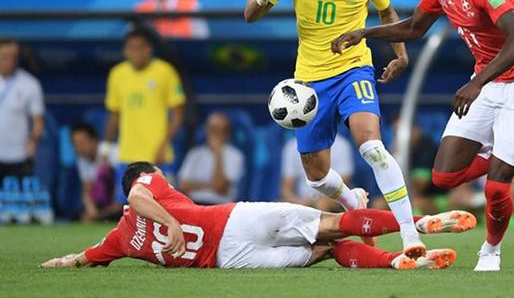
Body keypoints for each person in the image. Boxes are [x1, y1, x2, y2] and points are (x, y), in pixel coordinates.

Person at [331, 0, 514, 271]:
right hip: (489, 82)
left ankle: (490, 252)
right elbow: (414, 28)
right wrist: (364, 34)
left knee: (497, 188)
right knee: (444, 177)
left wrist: (477, 83)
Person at [243, 0, 424, 258]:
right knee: (316, 176)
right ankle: (352, 201)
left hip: (354, 69)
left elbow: (387, 13)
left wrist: (400, 54)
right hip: (309, 85)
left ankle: (410, 235)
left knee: (371, 147)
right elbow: (251, 16)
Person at [41, 162, 476, 270]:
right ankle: (416, 224)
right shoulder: (148, 184)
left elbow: (81, 259)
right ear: (147, 174)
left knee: (327, 250)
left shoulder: (117, 241)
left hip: (230, 260)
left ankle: (397, 262)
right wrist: (170, 222)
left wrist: (58, 263)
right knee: (328, 228)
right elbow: (138, 195)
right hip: (232, 221)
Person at [102, 28, 186, 203]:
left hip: (159, 155)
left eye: (140, 47)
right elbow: (114, 114)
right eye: (131, 48)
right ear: (125, 51)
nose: (136, 52)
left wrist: (164, 145)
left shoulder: (165, 71)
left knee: (165, 204)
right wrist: (106, 146)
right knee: (127, 206)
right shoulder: (117, 74)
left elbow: (178, 115)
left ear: (149, 49)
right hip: (127, 154)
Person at [0, 39, 44, 182]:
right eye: (5, 57)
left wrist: (33, 141)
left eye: (14, 57)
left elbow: (38, 121)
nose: (11, 61)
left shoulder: (30, 84)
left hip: (19, 156)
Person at [177, 112, 245, 204]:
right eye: (213, 128)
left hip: (220, 206)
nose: (216, 133)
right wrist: (210, 184)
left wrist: (218, 153)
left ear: (228, 133)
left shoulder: (236, 156)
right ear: (206, 130)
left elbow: (220, 187)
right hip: (194, 204)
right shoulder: (195, 153)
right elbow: (183, 185)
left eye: (221, 130)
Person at [281, 134, 354, 212]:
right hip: (303, 202)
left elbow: (345, 181)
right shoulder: (292, 146)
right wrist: (299, 203)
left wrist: (327, 201)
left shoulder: (341, 144)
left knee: (322, 205)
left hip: (333, 200)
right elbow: (286, 189)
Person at [70, 122, 121, 222]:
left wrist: (114, 207)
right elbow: (87, 189)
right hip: (105, 205)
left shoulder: (113, 152)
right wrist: (92, 211)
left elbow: (123, 184)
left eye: (82, 143)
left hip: (123, 199)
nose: (79, 148)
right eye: (76, 144)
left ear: (94, 140)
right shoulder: (81, 159)